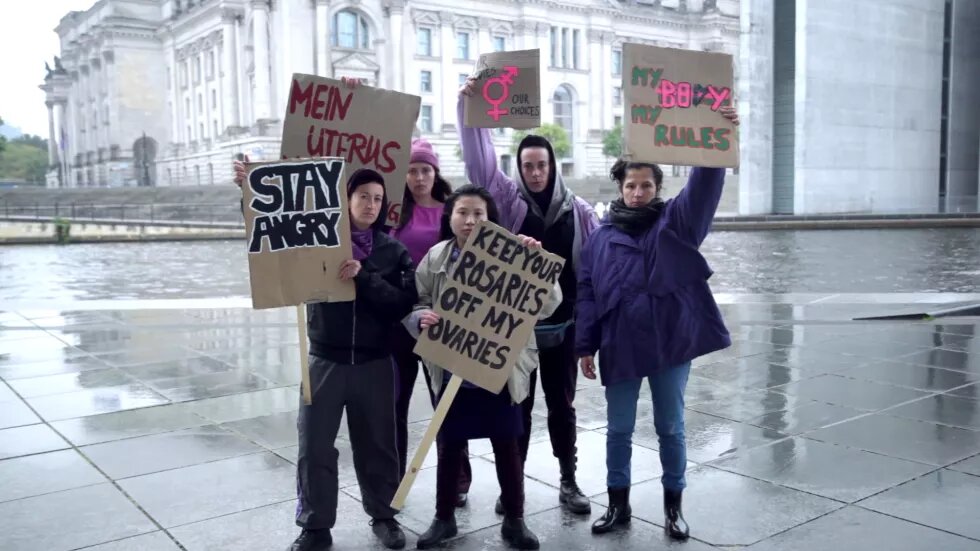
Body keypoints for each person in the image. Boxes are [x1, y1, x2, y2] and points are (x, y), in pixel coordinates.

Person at [575, 107, 740, 541]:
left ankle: (673, 507)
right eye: (630, 185)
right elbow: (587, 292)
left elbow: (704, 189)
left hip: (670, 342)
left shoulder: (677, 223)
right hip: (619, 343)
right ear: (620, 188)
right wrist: (584, 345)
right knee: (619, 429)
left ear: (658, 188)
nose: (637, 192)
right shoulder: (599, 237)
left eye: (646, 185)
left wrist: (717, 137)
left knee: (671, 426)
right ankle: (618, 505)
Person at [237, 165, 415, 550]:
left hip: (375, 362)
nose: (370, 204)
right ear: (346, 200)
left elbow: (402, 305)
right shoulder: (317, 240)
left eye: (378, 198)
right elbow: (271, 239)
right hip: (323, 359)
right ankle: (315, 525)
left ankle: (384, 516)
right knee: (315, 445)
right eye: (363, 195)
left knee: (379, 444)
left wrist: (364, 276)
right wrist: (248, 197)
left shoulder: (393, 251)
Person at [457, 77, 598, 515]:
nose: (536, 173)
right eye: (529, 166)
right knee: (518, 407)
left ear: (553, 167)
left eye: (542, 165)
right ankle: (511, 486)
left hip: (564, 329)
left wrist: (592, 336)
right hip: (515, 332)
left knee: (563, 407)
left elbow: (593, 275)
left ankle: (569, 479)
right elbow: (479, 162)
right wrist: (469, 108)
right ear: (518, 168)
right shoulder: (505, 199)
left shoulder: (581, 212)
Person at [404, 185, 560, 550]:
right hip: (452, 369)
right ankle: (444, 519)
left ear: (491, 220)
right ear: (450, 217)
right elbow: (419, 301)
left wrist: (537, 263)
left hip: (499, 371)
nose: (470, 220)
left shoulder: (516, 254)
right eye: (462, 213)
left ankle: (515, 520)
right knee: (449, 445)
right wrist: (419, 318)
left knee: (507, 445)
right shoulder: (436, 256)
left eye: (479, 213)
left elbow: (548, 305)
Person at [388, 139, 473, 506]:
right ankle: (393, 479)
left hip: (443, 319)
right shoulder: (392, 212)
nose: (419, 177)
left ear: (435, 172)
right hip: (400, 317)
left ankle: (457, 479)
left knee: (447, 401)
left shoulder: (450, 213)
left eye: (425, 169)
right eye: (412, 170)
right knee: (395, 402)